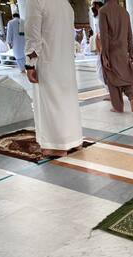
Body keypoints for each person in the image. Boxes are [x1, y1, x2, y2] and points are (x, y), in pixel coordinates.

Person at [24, 0, 82, 157]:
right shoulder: (65, 4)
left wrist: (30, 64)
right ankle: (73, 140)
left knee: (50, 103)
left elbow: (33, 35)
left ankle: (56, 145)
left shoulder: (36, 1)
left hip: (48, 61)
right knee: (67, 102)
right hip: (66, 62)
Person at [99, 0, 133, 113]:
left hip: (111, 50)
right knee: (126, 75)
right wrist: (131, 52)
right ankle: (132, 98)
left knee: (112, 78)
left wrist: (105, 55)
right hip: (123, 51)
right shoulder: (124, 12)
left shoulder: (103, 11)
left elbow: (104, 36)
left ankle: (117, 107)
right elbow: (130, 34)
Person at [91, 0, 109, 94]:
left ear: (97, 5)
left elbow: (103, 33)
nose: (92, 7)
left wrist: (100, 46)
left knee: (104, 68)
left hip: (103, 44)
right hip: (100, 43)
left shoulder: (103, 14)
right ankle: (110, 91)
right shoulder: (97, 16)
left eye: (93, 5)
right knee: (100, 69)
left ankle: (112, 92)